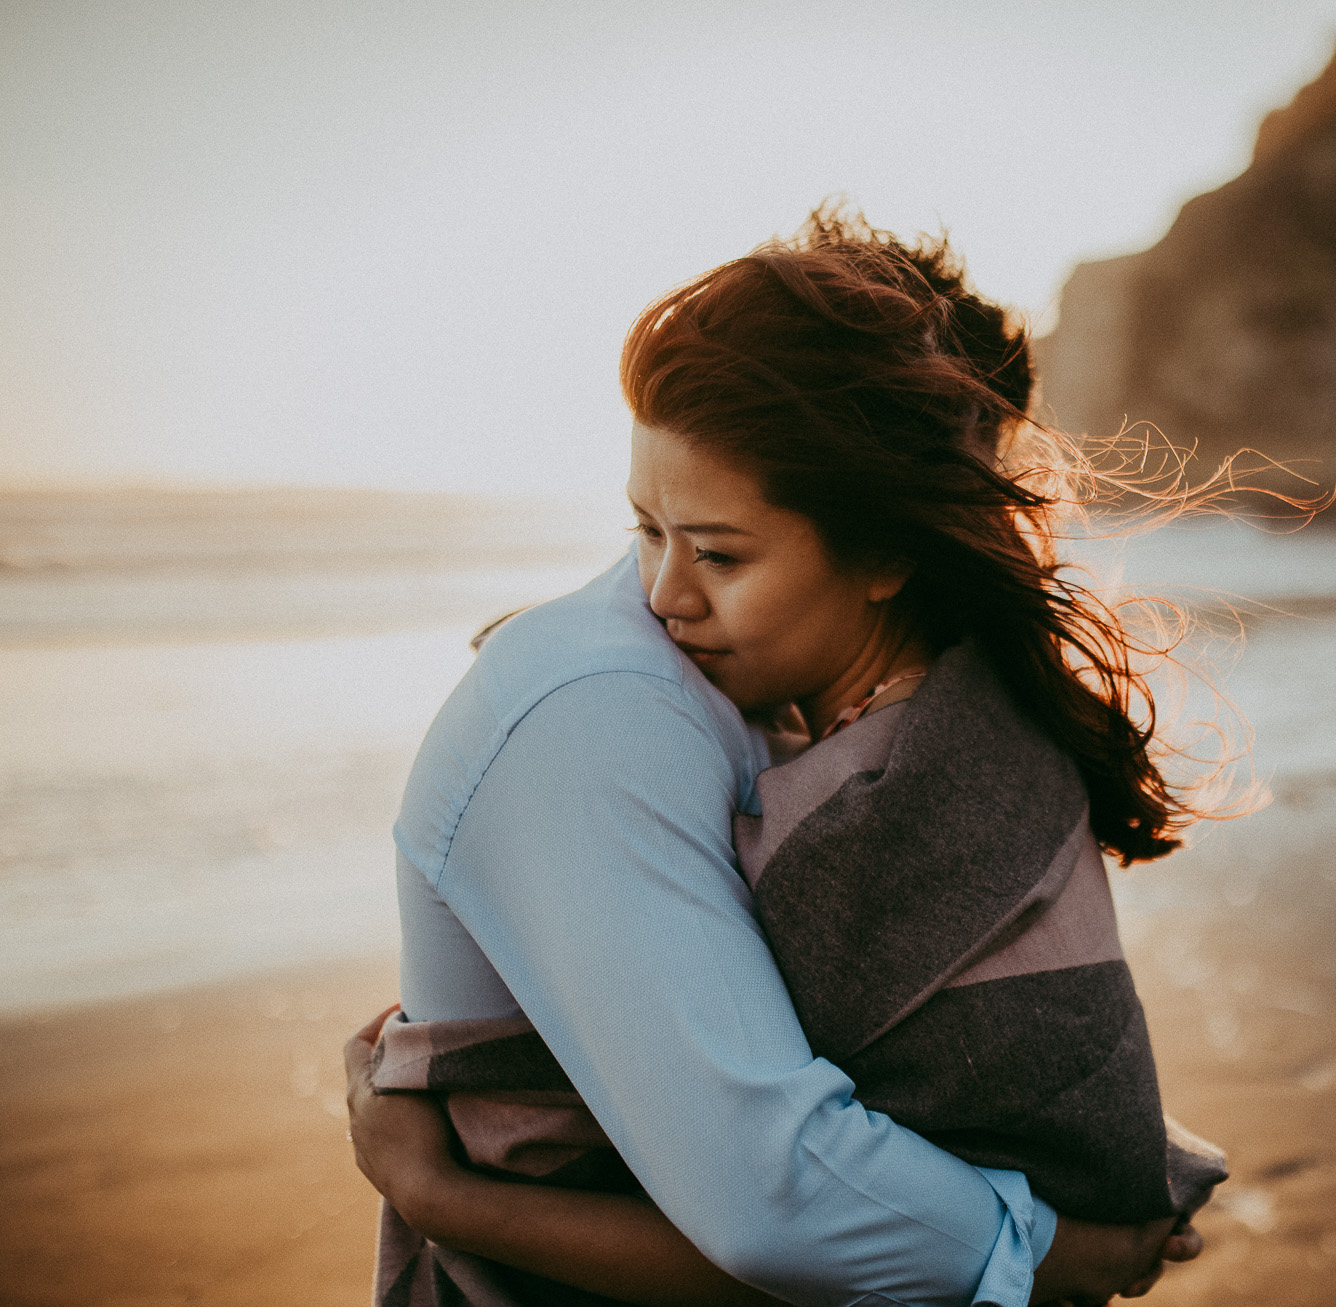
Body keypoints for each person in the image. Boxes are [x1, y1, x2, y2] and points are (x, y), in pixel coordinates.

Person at [343, 209, 1281, 1306]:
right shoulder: (603, 708)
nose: (664, 594)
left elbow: (780, 1191)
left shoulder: (850, 741)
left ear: (884, 547)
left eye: (717, 552)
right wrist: (1052, 1238)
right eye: (644, 529)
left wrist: (437, 1192)